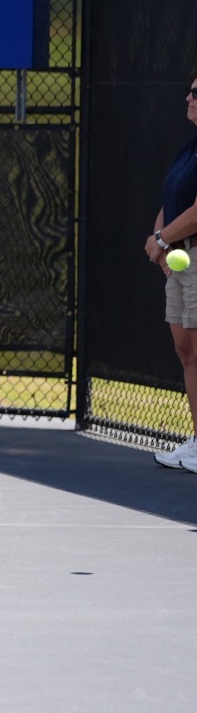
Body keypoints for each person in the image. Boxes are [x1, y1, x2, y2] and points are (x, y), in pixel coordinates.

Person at [150, 69, 197, 470]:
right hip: (179, 262)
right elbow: (172, 198)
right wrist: (159, 243)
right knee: (187, 352)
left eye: (196, 93)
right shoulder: (189, 149)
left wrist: (164, 241)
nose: (188, 98)